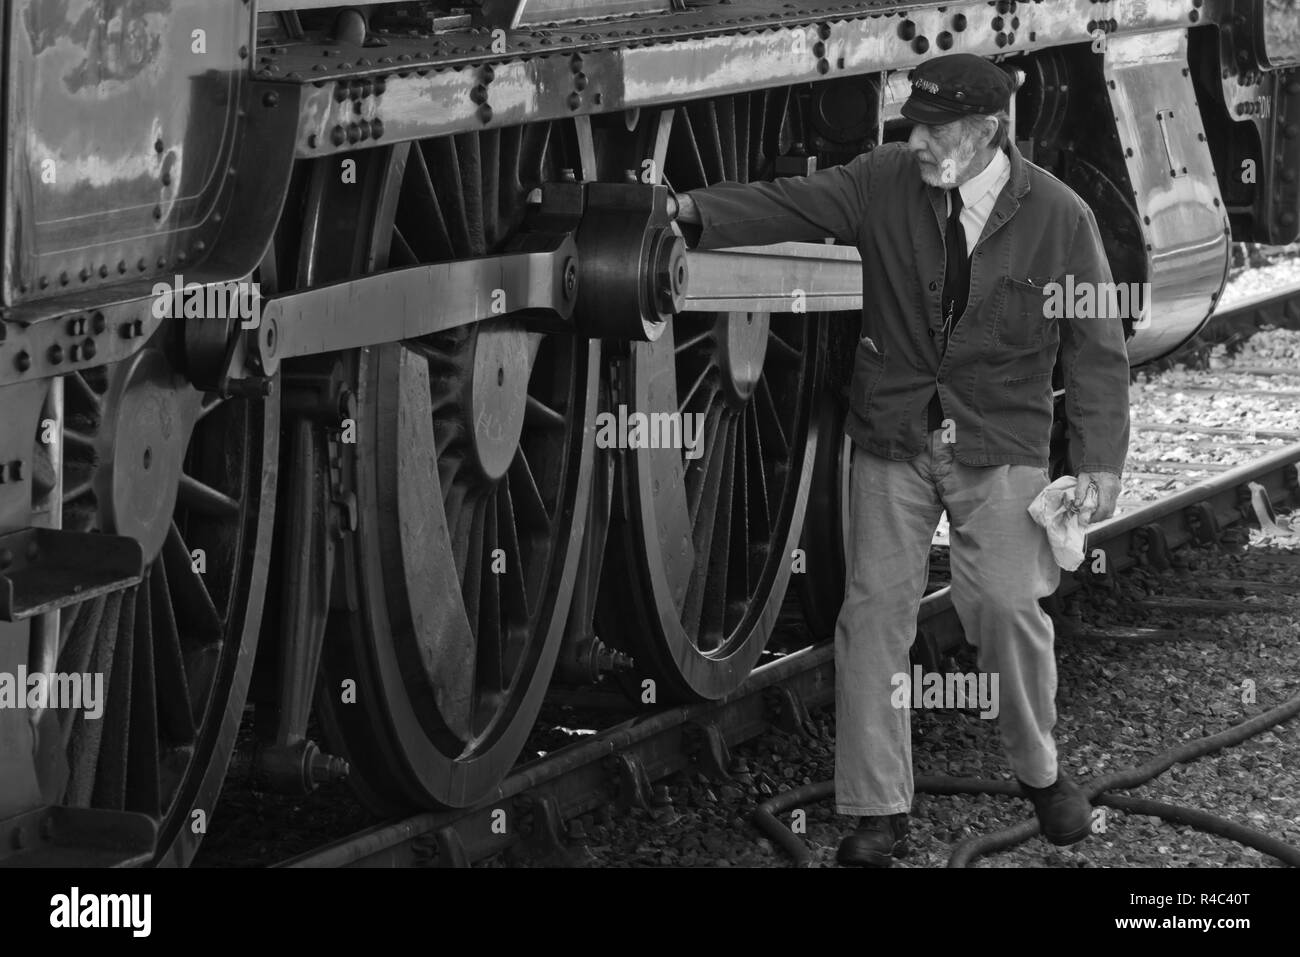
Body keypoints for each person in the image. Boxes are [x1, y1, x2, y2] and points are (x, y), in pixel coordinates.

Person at [669, 53, 1130, 867]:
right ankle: (876, 812)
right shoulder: (882, 181)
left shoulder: (1061, 217)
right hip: (892, 437)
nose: (916, 139)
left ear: (985, 132)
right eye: (912, 123)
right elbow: (791, 203)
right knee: (872, 619)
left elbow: (1096, 352)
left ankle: (1039, 770)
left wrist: (1096, 466)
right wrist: (683, 209)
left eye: (935, 127)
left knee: (1005, 606)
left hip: (999, 441)